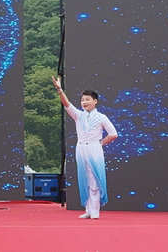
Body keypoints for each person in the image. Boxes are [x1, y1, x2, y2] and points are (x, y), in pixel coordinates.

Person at [51, 77, 118, 220]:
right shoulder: (78, 115)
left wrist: (100, 143)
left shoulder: (101, 117)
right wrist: (59, 89)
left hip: (94, 149)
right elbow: (67, 104)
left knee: (94, 180)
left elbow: (113, 134)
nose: (84, 102)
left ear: (95, 101)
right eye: (82, 100)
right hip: (81, 149)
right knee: (85, 179)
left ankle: (95, 210)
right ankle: (88, 209)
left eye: (87, 99)